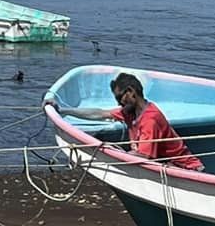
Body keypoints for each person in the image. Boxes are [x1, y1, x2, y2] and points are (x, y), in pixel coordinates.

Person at [65, 72, 201, 169]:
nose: (119, 103)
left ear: (130, 92)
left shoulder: (150, 119)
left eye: (119, 98)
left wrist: (109, 154)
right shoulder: (130, 112)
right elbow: (100, 113)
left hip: (185, 169)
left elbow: (143, 156)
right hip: (165, 165)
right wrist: (64, 110)